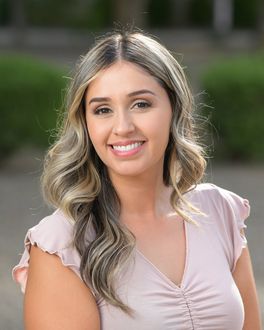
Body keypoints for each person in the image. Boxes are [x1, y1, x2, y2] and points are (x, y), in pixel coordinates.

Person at [13, 28, 261, 330]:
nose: (123, 127)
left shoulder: (220, 210)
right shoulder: (62, 245)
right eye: (103, 110)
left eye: (141, 104)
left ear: (174, 107)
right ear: (86, 124)